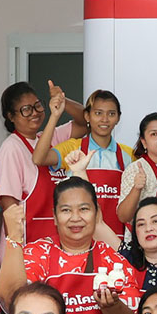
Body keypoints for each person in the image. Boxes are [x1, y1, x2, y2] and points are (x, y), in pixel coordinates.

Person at [0, 177, 139, 314]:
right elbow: (11, 298)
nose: (75, 218)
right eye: (66, 210)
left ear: (97, 213)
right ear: (55, 217)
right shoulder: (38, 253)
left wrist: (112, 307)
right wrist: (14, 238)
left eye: (84, 209)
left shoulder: (114, 262)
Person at [0, 79, 86, 246]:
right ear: (11, 116)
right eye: (26, 110)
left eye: (37, 105)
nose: (35, 113)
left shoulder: (50, 137)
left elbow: (85, 122)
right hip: (27, 245)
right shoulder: (12, 148)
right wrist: (16, 251)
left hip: (56, 245)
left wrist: (63, 101)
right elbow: (10, 206)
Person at [44, 90, 133, 238]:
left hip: (116, 240)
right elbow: (40, 158)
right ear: (87, 116)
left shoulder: (128, 155)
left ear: (118, 118)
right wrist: (54, 116)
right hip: (78, 237)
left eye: (111, 114)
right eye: (98, 113)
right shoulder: (73, 148)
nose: (105, 119)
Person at [116, 112, 157, 225]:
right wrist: (136, 189)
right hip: (141, 235)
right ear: (144, 142)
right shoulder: (136, 169)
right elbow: (123, 216)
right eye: (154, 134)